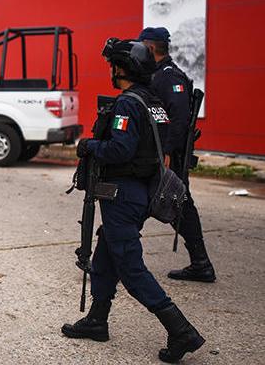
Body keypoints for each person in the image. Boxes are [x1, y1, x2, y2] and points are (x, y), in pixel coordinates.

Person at [61, 39, 205, 363]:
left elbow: (120, 150)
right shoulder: (152, 102)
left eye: (113, 65)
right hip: (140, 191)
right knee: (105, 254)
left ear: (121, 68)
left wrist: (89, 146)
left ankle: (180, 329)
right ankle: (97, 320)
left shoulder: (127, 104)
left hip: (122, 194)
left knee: (131, 267)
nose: (111, 70)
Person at [138, 27, 215, 283]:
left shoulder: (170, 77)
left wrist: (168, 151)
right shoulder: (156, 75)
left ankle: (201, 264)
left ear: (150, 48)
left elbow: (179, 120)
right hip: (159, 153)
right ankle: (201, 263)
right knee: (169, 204)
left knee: (172, 203)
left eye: (141, 47)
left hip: (169, 155)